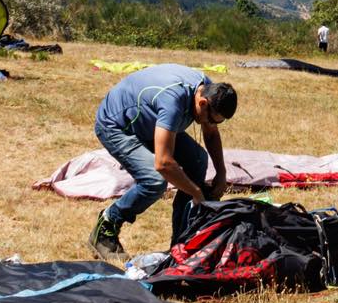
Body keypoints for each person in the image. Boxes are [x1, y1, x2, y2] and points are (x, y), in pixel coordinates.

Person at [89, 63, 237, 260]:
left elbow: (210, 136)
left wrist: (222, 173)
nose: (212, 125)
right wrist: (196, 192)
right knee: (154, 181)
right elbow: (163, 164)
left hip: (149, 121)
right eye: (212, 119)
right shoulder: (173, 102)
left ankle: (182, 241)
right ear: (202, 103)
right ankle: (107, 225)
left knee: (198, 160)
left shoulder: (208, 90)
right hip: (117, 125)